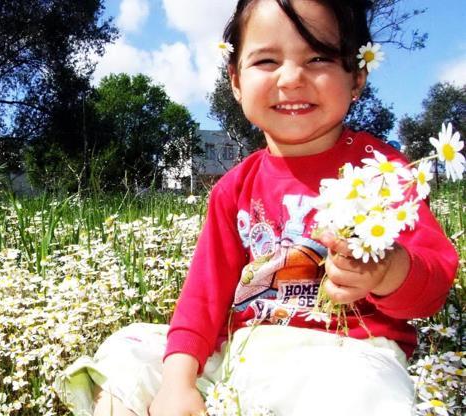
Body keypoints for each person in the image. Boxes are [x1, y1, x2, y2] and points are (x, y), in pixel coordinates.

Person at [55, 0, 459, 415]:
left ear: (356, 76)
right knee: (128, 351)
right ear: (235, 80)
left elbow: (431, 289)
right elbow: (203, 298)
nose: (291, 79)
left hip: (344, 355)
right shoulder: (233, 188)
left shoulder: (386, 173)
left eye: (318, 57)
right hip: (238, 353)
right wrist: (177, 383)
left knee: (365, 393)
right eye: (266, 60)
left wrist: (386, 270)